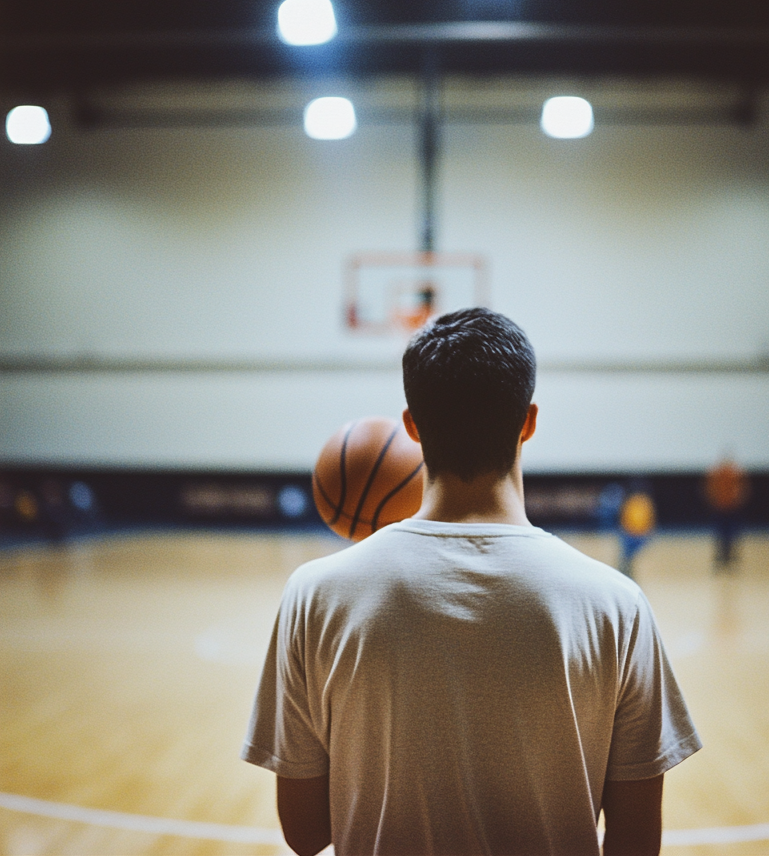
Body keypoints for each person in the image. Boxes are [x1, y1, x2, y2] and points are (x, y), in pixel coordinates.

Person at [242, 308, 702, 856]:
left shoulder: (314, 594)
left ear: (411, 426)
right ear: (528, 421)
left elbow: (306, 832)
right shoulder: (618, 605)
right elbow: (635, 843)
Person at [704, 456, 750, 568]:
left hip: (729, 507)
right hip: (722, 507)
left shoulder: (734, 474)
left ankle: (728, 556)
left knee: (729, 533)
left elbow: (742, 490)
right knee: (724, 533)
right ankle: (724, 556)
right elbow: (710, 489)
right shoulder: (721, 474)